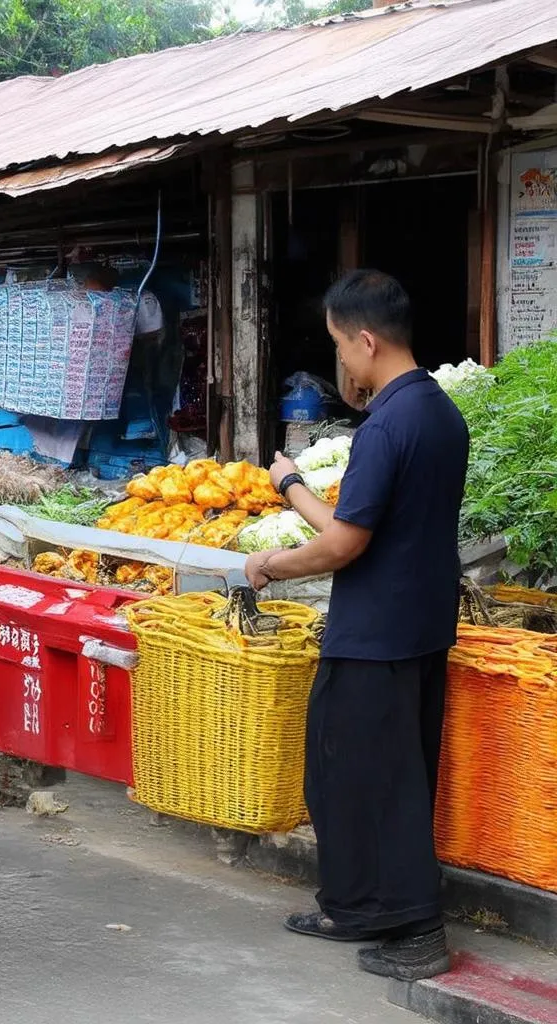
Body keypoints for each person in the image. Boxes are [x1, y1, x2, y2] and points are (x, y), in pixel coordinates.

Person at [243, 270, 469, 982]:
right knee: (372, 778)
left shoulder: (387, 426)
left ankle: (417, 932)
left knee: (369, 783)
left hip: (376, 636)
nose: (342, 361)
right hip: (419, 626)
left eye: (342, 345)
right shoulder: (438, 412)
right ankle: (356, 906)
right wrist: (291, 486)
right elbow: (356, 526)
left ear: (366, 340)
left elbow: (342, 547)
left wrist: (273, 563)